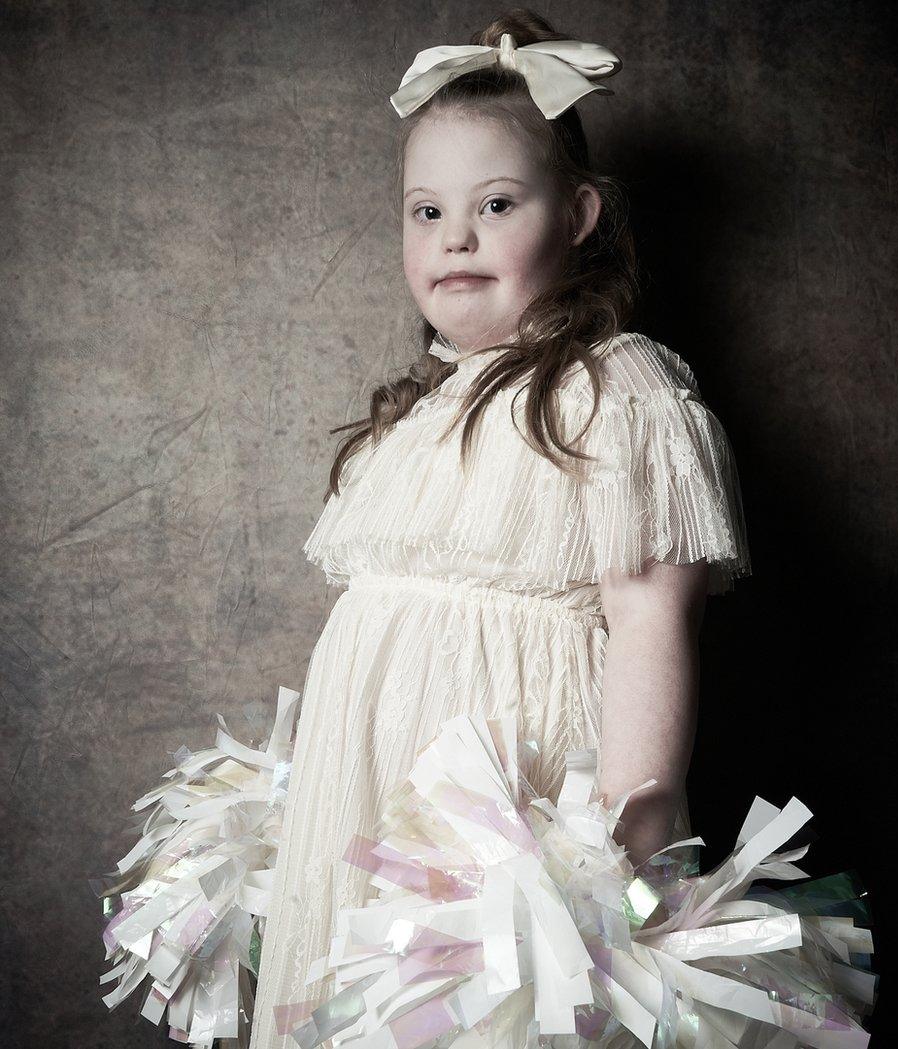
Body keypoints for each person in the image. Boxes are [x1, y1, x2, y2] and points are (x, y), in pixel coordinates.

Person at [248, 10, 751, 1048]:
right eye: (425, 209)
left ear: (576, 216)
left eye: (495, 204)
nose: (453, 236)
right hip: (370, 801)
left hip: (506, 823)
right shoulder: (424, 406)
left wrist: (634, 841)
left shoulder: (617, 389)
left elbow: (652, 621)